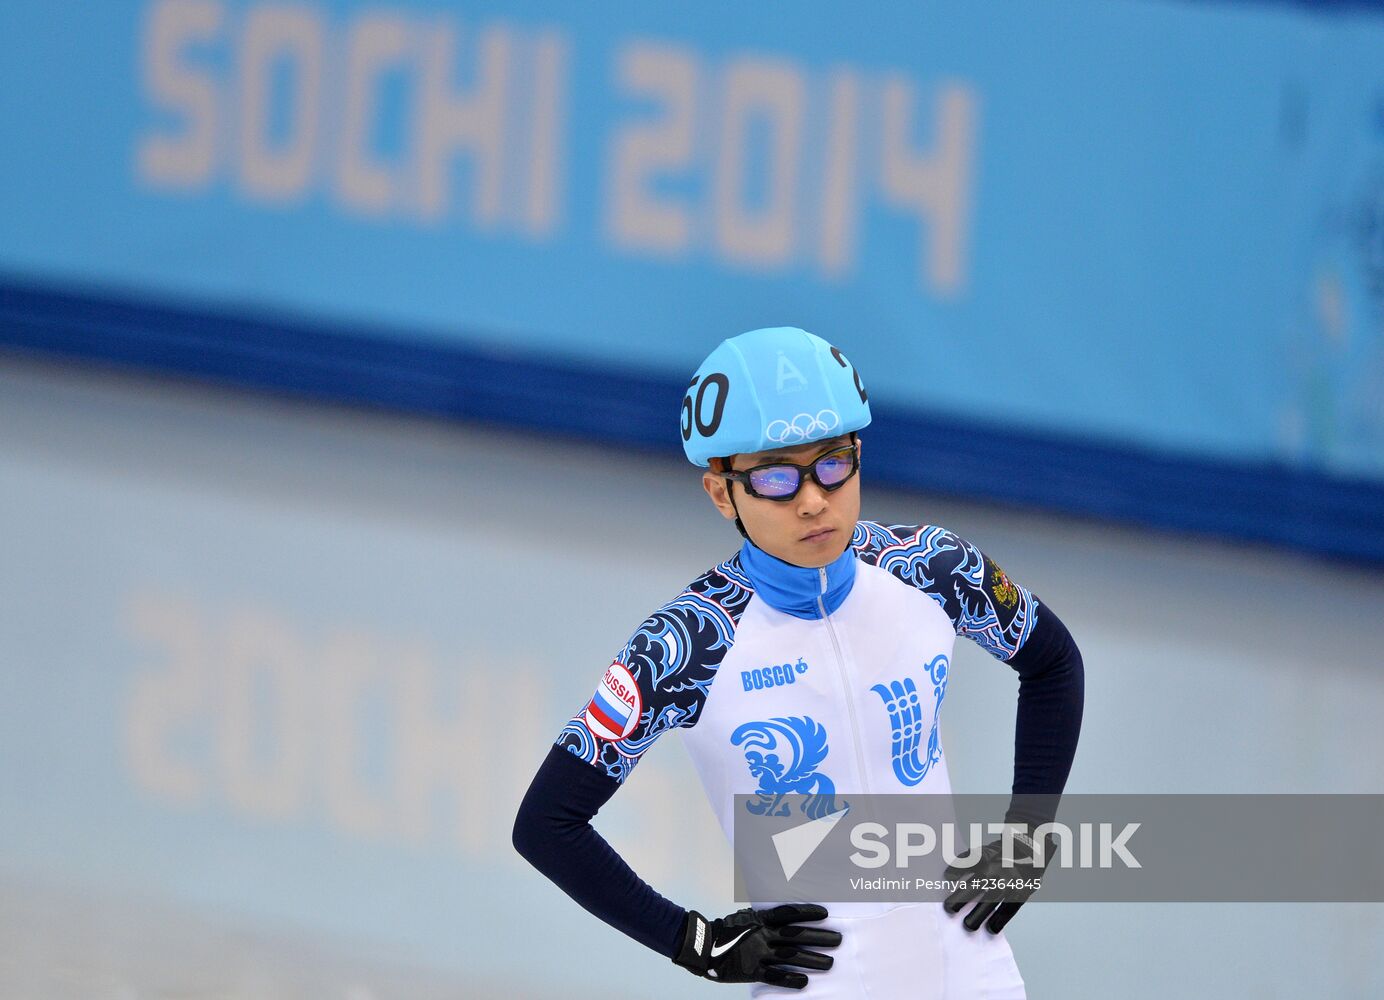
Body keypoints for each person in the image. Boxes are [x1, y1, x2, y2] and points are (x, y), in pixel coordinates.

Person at [513, 327, 1084, 997]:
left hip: (969, 970)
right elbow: (547, 824)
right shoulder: (689, 642)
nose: (815, 499)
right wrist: (691, 940)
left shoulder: (932, 568)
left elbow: (1053, 664)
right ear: (722, 494)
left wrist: (1027, 834)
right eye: (778, 477)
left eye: (834, 464)